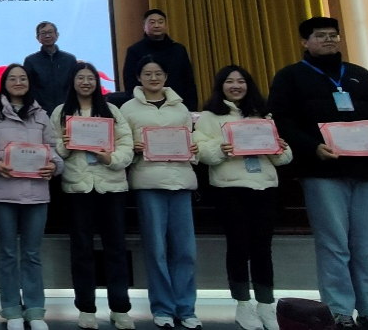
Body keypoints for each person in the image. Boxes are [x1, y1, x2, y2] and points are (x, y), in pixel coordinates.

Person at [267, 17, 368, 330]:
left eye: (333, 35)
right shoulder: (290, 77)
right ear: (304, 42)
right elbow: (282, 121)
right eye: (320, 36)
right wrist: (313, 148)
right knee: (333, 245)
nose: (329, 40)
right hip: (323, 173)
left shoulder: (361, 76)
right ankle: (339, 311)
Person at [195, 66, 291, 330]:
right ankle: (243, 304)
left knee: (262, 247)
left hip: (265, 186)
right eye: (229, 81)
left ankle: (266, 304)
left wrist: (279, 148)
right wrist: (221, 149)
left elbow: (283, 158)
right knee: (238, 245)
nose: (235, 86)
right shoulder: (208, 117)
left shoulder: (263, 115)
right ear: (220, 86)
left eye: (241, 81)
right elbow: (202, 152)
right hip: (230, 188)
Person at [0, 64, 63, 330]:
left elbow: (52, 148)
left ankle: (35, 310)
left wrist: (55, 165)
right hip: (3, 193)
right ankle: (12, 309)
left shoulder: (41, 114)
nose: (18, 82)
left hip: (37, 194)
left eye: (22, 78)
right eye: (12, 78)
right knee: (7, 253)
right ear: (4, 83)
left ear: (29, 83)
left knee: (32, 254)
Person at [49, 62, 135, 330]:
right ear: (72, 82)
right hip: (78, 187)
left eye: (90, 78)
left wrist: (111, 158)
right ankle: (86, 308)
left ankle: (120, 308)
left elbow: (127, 146)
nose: (85, 82)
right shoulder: (61, 112)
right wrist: (64, 145)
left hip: (111, 186)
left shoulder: (112, 110)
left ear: (97, 83)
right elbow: (53, 150)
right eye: (80, 78)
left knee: (116, 249)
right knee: (81, 249)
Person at [119, 56, 200, 329]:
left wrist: (193, 149)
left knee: (185, 250)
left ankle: (186, 308)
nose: (153, 78)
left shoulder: (181, 107)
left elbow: (191, 141)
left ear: (165, 77)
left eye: (158, 73)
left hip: (181, 182)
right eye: (147, 74)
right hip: (148, 182)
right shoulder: (127, 108)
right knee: (156, 250)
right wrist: (133, 147)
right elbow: (122, 144)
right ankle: (163, 307)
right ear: (138, 78)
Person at [121, 10, 199, 111]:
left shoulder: (178, 49)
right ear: (144, 27)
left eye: (160, 22)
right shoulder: (134, 50)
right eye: (152, 22)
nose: (157, 25)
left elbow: (188, 80)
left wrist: (191, 107)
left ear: (166, 25)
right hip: (145, 107)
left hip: (177, 104)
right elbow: (130, 82)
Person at [23, 21, 78, 116]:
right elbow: (28, 88)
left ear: (57, 35)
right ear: (37, 38)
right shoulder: (31, 61)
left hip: (67, 111)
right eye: (43, 33)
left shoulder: (70, 60)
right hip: (39, 112)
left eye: (50, 32)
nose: (47, 36)